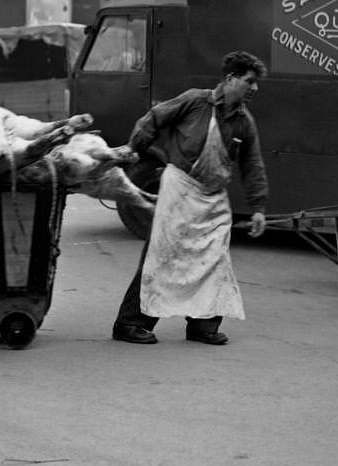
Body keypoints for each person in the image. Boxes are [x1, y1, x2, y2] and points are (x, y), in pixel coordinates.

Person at [112, 50, 268, 346]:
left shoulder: (243, 122)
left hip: (213, 198)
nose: (255, 88)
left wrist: (258, 207)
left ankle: (202, 325)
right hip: (179, 189)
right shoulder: (195, 101)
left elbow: (252, 164)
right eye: (250, 81)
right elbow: (153, 119)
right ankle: (130, 323)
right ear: (230, 79)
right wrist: (133, 150)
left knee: (214, 260)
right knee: (161, 256)